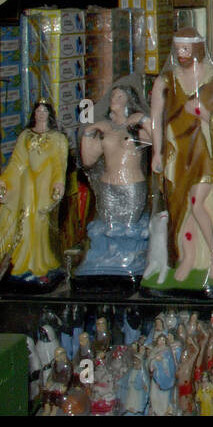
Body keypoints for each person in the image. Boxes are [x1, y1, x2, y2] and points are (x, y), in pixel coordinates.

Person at [147, 28, 213, 292]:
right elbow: (156, 121)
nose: (182, 54)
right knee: (179, 210)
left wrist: (203, 113)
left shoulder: (212, 80)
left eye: (187, 49)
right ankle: (188, 258)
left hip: (202, 153)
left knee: (198, 204)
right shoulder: (165, 81)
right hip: (177, 154)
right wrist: (156, 152)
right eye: (178, 49)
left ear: (196, 49)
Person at [77, 83, 152, 284]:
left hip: (131, 186)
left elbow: (158, 139)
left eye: (120, 97)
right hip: (108, 186)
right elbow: (88, 160)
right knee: (108, 229)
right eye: (113, 96)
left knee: (127, 230)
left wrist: (144, 120)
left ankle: (129, 260)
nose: (114, 100)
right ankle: (106, 261)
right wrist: (87, 133)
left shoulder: (135, 128)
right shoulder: (105, 128)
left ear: (128, 101)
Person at [0, 99, 70, 285]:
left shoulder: (58, 139)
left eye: (44, 111)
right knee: (24, 220)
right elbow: (17, 162)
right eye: (38, 111)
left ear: (49, 114)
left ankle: (39, 262)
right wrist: (4, 181)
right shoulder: (25, 136)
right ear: (34, 114)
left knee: (40, 224)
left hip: (44, 186)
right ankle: (19, 262)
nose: (41, 114)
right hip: (26, 186)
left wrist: (58, 184)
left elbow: (60, 165)